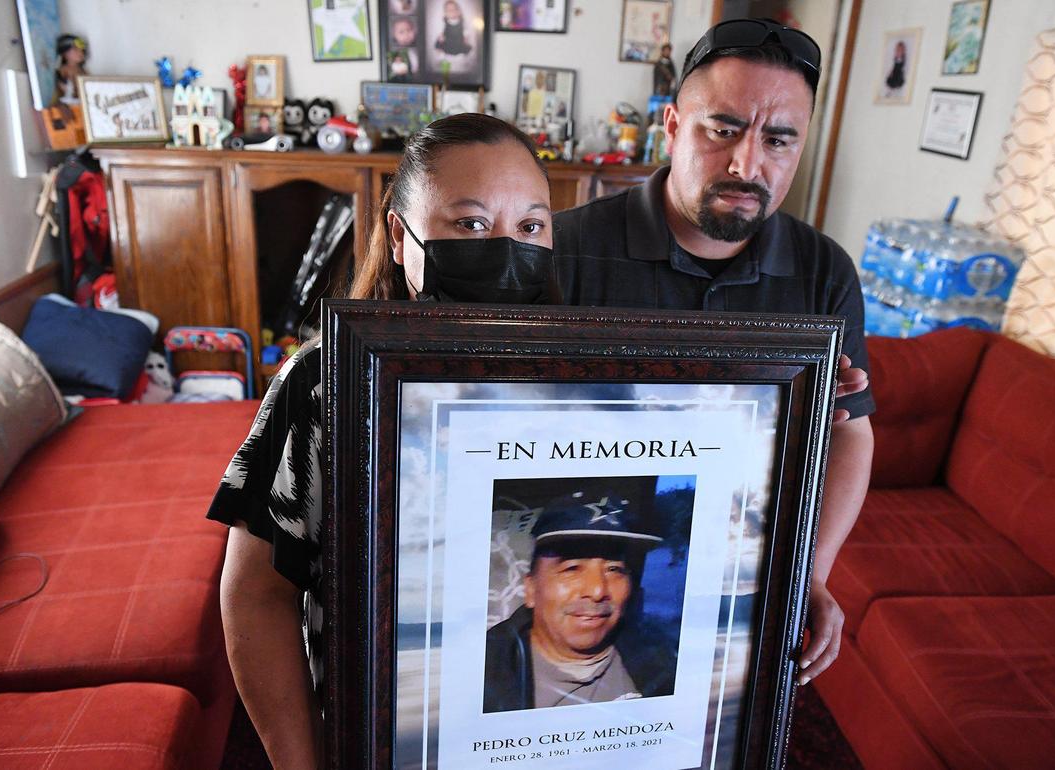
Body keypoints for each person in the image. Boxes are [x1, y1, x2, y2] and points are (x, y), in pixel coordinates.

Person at [210, 113, 556, 769]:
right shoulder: (323, 384)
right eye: (472, 224)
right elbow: (255, 593)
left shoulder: (591, 386)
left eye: (531, 225)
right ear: (400, 237)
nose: (506, 248)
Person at [553, 18, 874, 687]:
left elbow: (852, 435)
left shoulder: (824, 274)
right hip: (589, 550)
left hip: (738, 574)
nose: (746, 163)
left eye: (778, 139)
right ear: (671, 126)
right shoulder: (564, 251)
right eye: (722, 128)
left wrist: (809, 573)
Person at [484, 494, 673, 713]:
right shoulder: (481, 674)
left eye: (614, 569)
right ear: (531, 589)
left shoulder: (667, 660)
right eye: (572, 568)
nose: (597, 590)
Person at [53, 34, 88, 105]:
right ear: (64, 53)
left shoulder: (84, 72)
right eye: (75, 49)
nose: (80, 52)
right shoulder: (61, 71)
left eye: (81, 49)